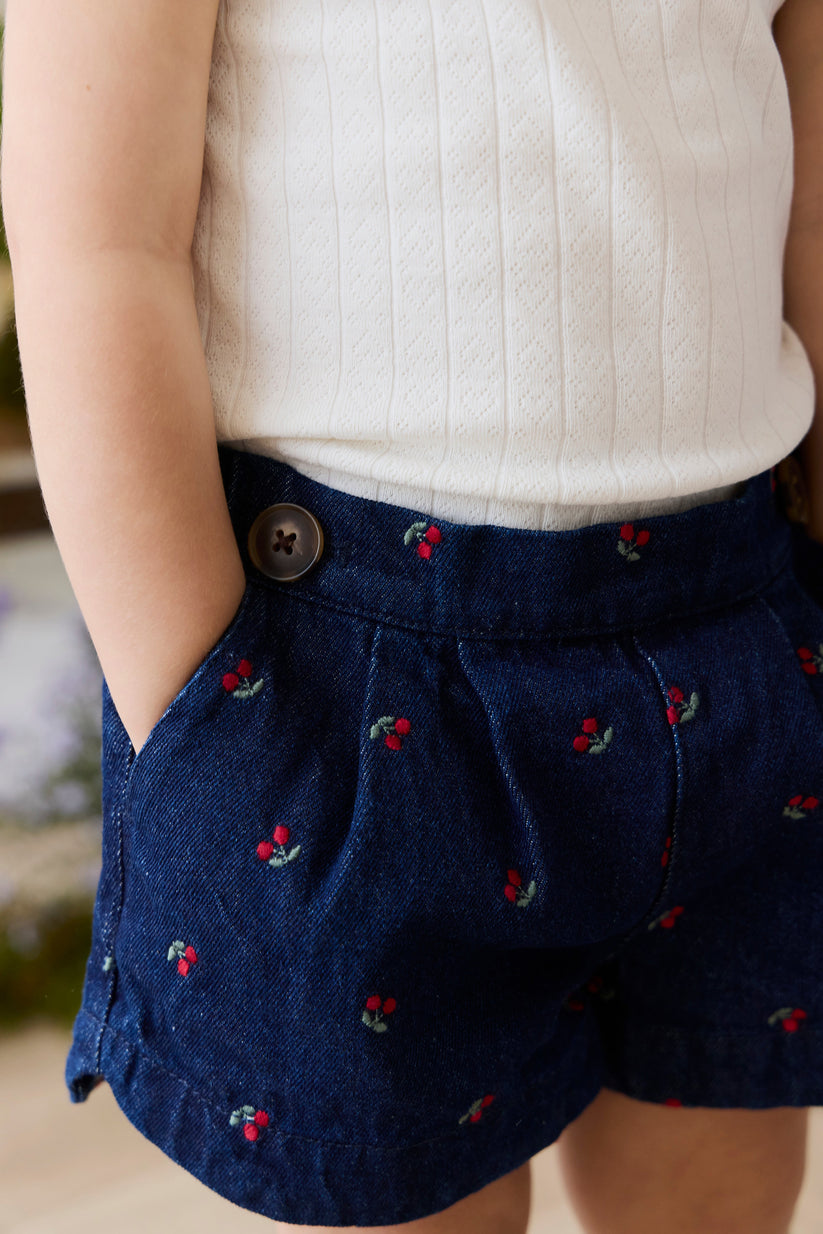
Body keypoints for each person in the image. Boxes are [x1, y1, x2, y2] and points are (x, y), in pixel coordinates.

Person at [2, 1, 822, 1230]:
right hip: (347, 671)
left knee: (721, 1193)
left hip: (737, 623)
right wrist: (203, 723)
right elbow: (96, 244)